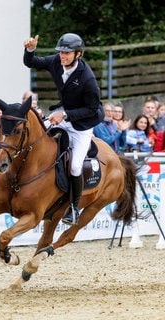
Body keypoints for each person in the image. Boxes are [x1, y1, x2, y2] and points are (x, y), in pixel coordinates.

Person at [23, 33, 104, 225]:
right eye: (61, 52)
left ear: (78, 54)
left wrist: (65, 115)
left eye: (67, 53)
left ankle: (74, 209)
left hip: (83, 123)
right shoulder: (56, 62)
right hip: (63, 113)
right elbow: (31, 62)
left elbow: (92, 109)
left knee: (76, 165)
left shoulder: (87, 78)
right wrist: (30, 49)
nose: (62, 56)